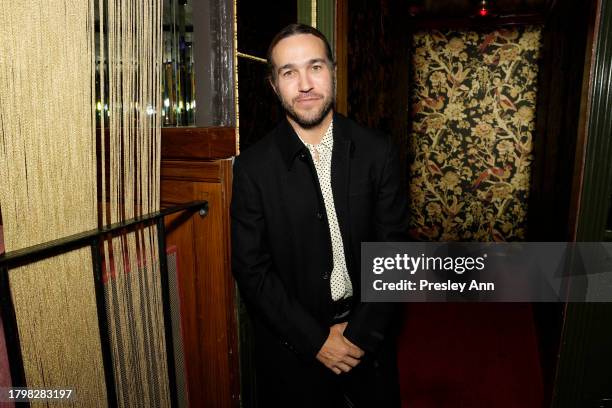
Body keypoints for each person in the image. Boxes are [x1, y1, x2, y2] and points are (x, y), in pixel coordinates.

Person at [231, 23, 409, 407]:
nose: (305, 83)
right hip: (293, 352)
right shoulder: (252, 168)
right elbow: (252, 269)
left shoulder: (378, 151)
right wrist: (317, 341)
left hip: (370, 338)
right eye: (289, 72)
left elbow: (394, 251)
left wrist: (358, 337)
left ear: (333, 71)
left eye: (315, 67)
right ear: (274, 85)